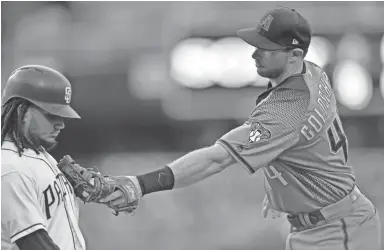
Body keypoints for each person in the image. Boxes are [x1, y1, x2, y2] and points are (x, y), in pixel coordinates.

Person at [100, 7, 381, 250]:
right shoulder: (313, 72)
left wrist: (140, 184)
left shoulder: (286, 110)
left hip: (338, 231)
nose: (255, 54)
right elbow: (303, 146)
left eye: (267, 49)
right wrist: (284, 189)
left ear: (294, 54)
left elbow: (215, 159)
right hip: (326, 222)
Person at [1, 65, 86, 250]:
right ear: (20, 111)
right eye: (51, 115)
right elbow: (35, 244)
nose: (61, 124)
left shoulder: (39, 155)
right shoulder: (11, 170)